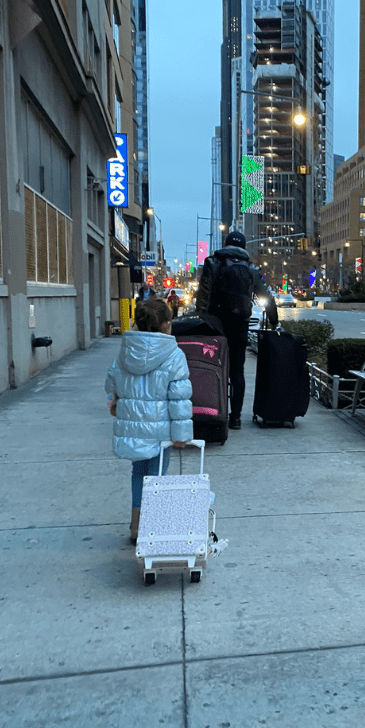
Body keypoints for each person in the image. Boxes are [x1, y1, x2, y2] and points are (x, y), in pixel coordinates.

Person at [105, 298, 193, 543]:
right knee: (157, 475)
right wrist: (181, 435)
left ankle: (136, 525)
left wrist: (118, 401)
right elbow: (179, 398)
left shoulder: (125, 351)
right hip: (160, 428)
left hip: (134, 425)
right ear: (166, 325)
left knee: (138, 472)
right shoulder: (174, 354)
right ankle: (152, 526)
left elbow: (110, 384)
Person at [195, 230, 278, 429]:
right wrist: (274, 321)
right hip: (240, 325)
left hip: (216, 324)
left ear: (225, 244)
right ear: (244, 248)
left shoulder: (213, 262)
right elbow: (266, 297)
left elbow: (204, 295)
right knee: (237, 371)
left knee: (213, 367)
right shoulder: (251, 269)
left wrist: (201, 320)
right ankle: (236, 418)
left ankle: (216, 412)